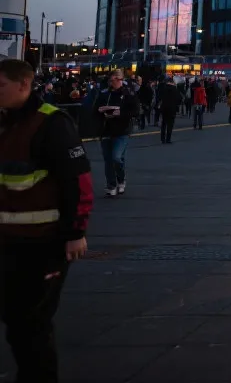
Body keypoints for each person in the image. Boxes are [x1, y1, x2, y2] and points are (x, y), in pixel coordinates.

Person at [0, 58, 93, 383]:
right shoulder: (6, 123)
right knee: (16, 321)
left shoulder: (52, 124)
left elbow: (78, 181)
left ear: (23, 84)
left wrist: (75, 232)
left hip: (43, 243)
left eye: (1, 86)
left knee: (30, 324)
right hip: (7, 241)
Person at [94, 70, 139, 197]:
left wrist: (121, 113)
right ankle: (111, 185)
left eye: (115, 79)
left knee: (116, 157)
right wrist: (100, 111)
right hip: (106, 129)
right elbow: (95, 109)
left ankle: (121, 178)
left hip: (122, 130)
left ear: (121, 79)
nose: (113, 82)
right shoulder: (104, 93)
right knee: (108, 160)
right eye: (111, 80)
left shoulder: (129, 93)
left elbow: (136, 110)